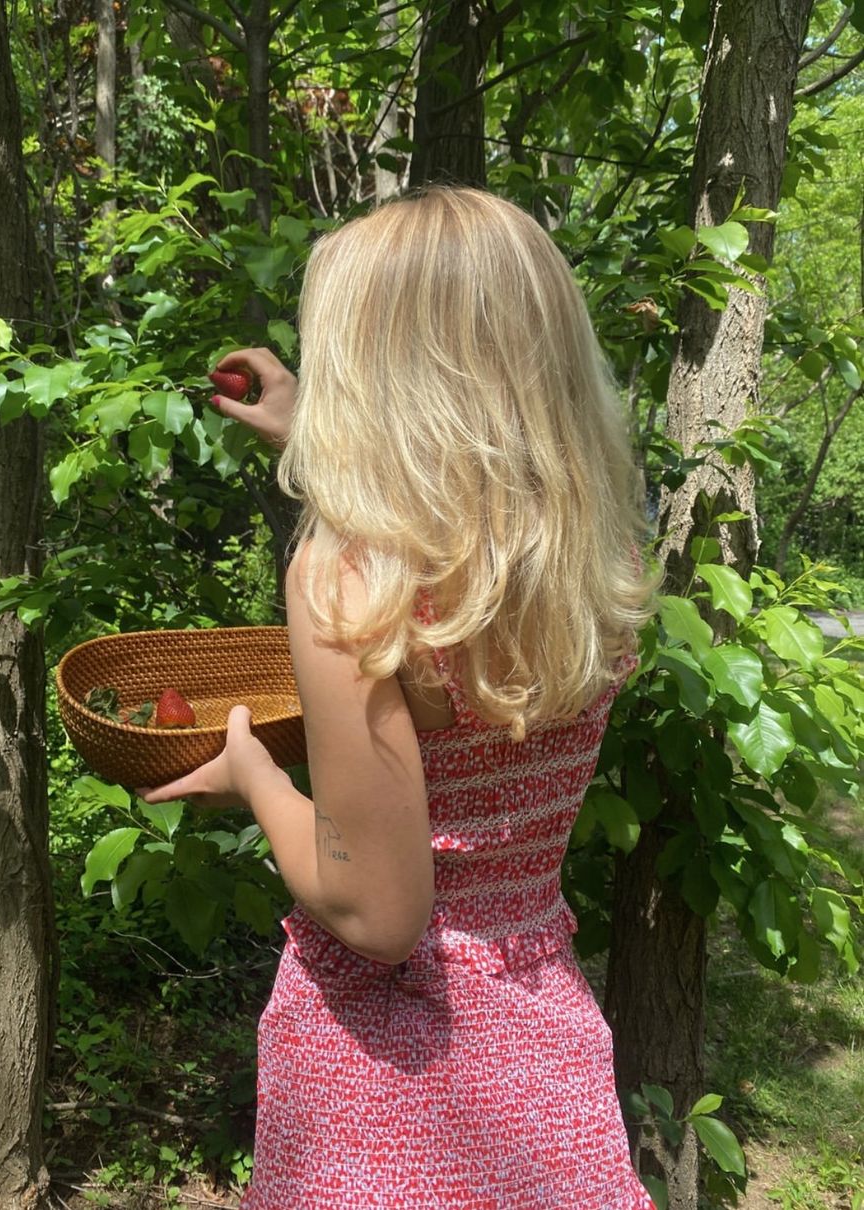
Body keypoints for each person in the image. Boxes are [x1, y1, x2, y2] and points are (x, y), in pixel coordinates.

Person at [142, 186, 656, 1208]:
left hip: (384, 1073)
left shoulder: (344, 581)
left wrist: (253, 774)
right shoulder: (588, 554)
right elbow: (453, 525)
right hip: (533, 1036)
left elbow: (373, 909)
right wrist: (308, 445)